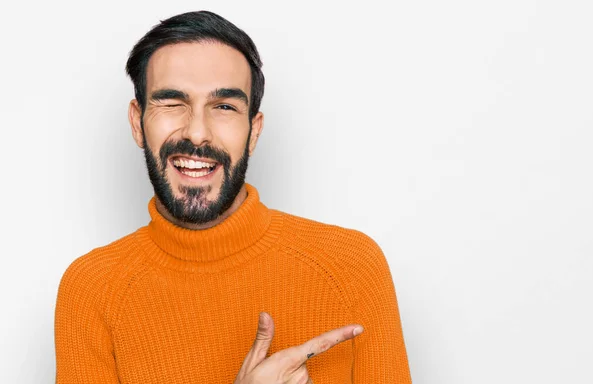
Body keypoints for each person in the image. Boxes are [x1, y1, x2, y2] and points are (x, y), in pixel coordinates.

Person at [54, 10, 412, 384]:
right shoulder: (92, 289)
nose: (196, 133)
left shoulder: (351, 267)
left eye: (224, 106)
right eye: (172, 103)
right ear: (137, 122)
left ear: (253, 131)